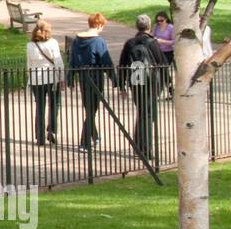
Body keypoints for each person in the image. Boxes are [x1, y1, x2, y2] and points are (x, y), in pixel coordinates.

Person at [119, 15, 166, 160]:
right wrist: (164, 84)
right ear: (149, 26)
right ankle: (145, 149)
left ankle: (139, 145)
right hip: (151, 83)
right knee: (148, 115)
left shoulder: (130, 43)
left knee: (142, 111)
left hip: (135, 82)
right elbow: (162, 63)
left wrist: (122, 86)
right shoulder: (152, 42)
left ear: (136, 26)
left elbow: (122, 65)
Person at [69, 12, 115, 153]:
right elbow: (106, 61)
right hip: (96, 78)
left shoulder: (76, 41)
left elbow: (72, 61)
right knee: (91, 110)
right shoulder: (98, 41)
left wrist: (70, 78)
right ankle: (84, 142)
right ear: (99, 25)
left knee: (89, 109)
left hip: (83, 78)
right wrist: (116, 81)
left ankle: (95, 136)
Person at [25, 19, 64, 146]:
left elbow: (29, 64)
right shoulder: (52, 43)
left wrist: (30, 78)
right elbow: (58, 62)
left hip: (36, 79)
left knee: (40, 107)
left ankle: (40, 136)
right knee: (54, 105)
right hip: (52, 78)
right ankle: (51, 130)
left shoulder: (30, 45)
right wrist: (62, 78)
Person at [153, 10, 176, 97]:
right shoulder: (157, 27)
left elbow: (173, 41)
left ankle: (159, 92)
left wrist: (163, 41)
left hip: (168, 52)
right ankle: (171, 91)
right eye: (158, 21)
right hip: (158, 51)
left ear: (166, 19)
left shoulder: (170, 28)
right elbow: (152, 35)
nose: (160, 23)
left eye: (161, 20)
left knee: (163, 70)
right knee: (162, 71)